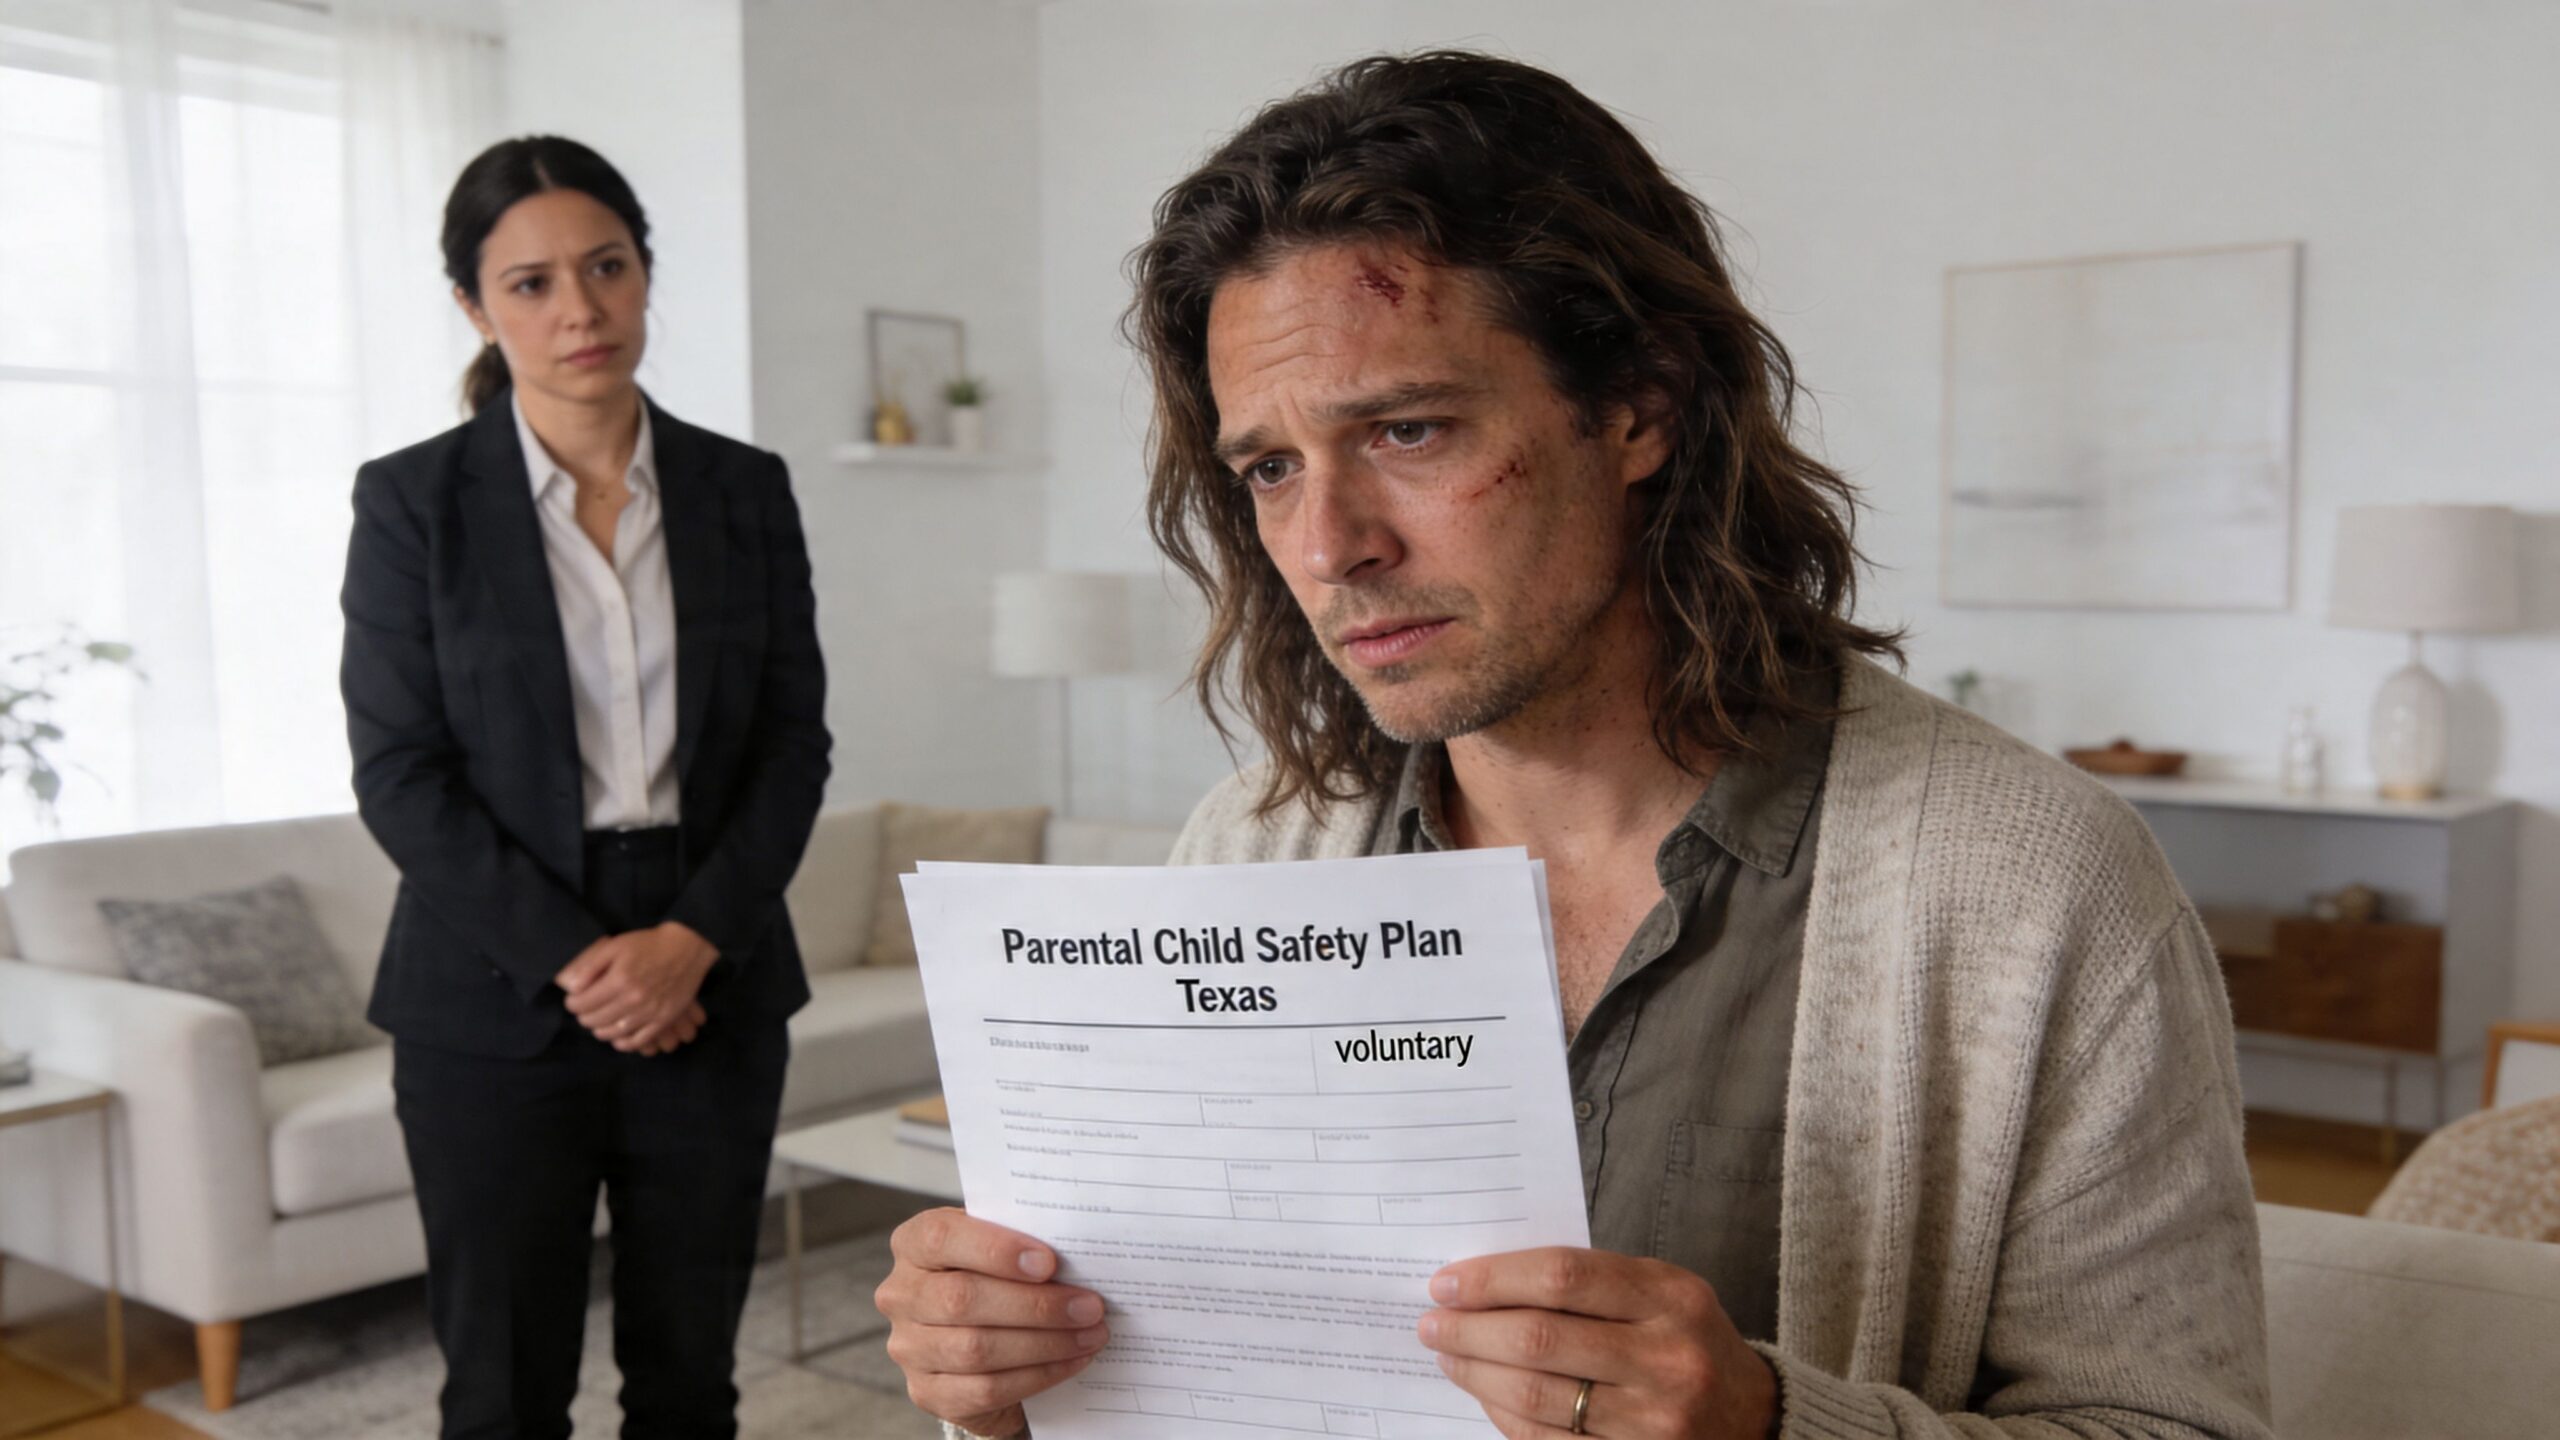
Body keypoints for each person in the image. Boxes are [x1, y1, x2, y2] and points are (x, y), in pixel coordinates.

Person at [876, 52, 2271, 1440]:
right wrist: (1010, 1396)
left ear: (1639, 411)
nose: (1326, 546)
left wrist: (1769, 1425)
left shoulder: (2038, 885)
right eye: (1271, 468)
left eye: (1408, 429)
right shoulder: (1247, 850)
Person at [339, 135, 829, 1440]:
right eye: (533, 284)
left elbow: (795, 747)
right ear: (476, 310)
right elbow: (398, 773)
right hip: (491, 989)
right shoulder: (410, 506)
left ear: (647, 275)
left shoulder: (746, 490)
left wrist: (688, 945)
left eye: (606, 268)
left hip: (712, 966)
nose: (580, 312)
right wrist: (583, 959)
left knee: (689, 1383)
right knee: (502, 1392)